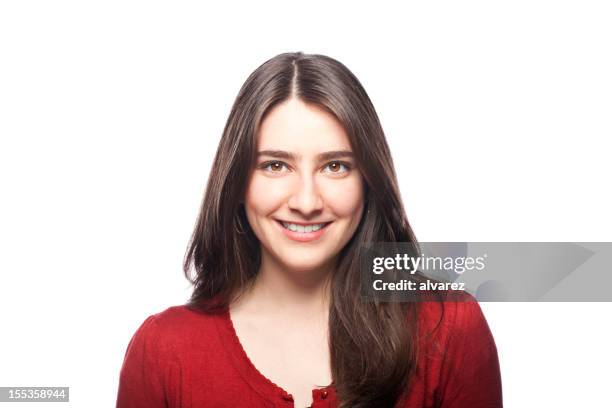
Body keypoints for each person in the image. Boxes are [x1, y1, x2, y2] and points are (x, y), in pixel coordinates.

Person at [115, 51, 503, 408]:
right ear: (236, 182)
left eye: (335, 166)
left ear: (368, 181)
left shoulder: (449, 328)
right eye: (275, 165)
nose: (306, 201)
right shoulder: (164, 350)